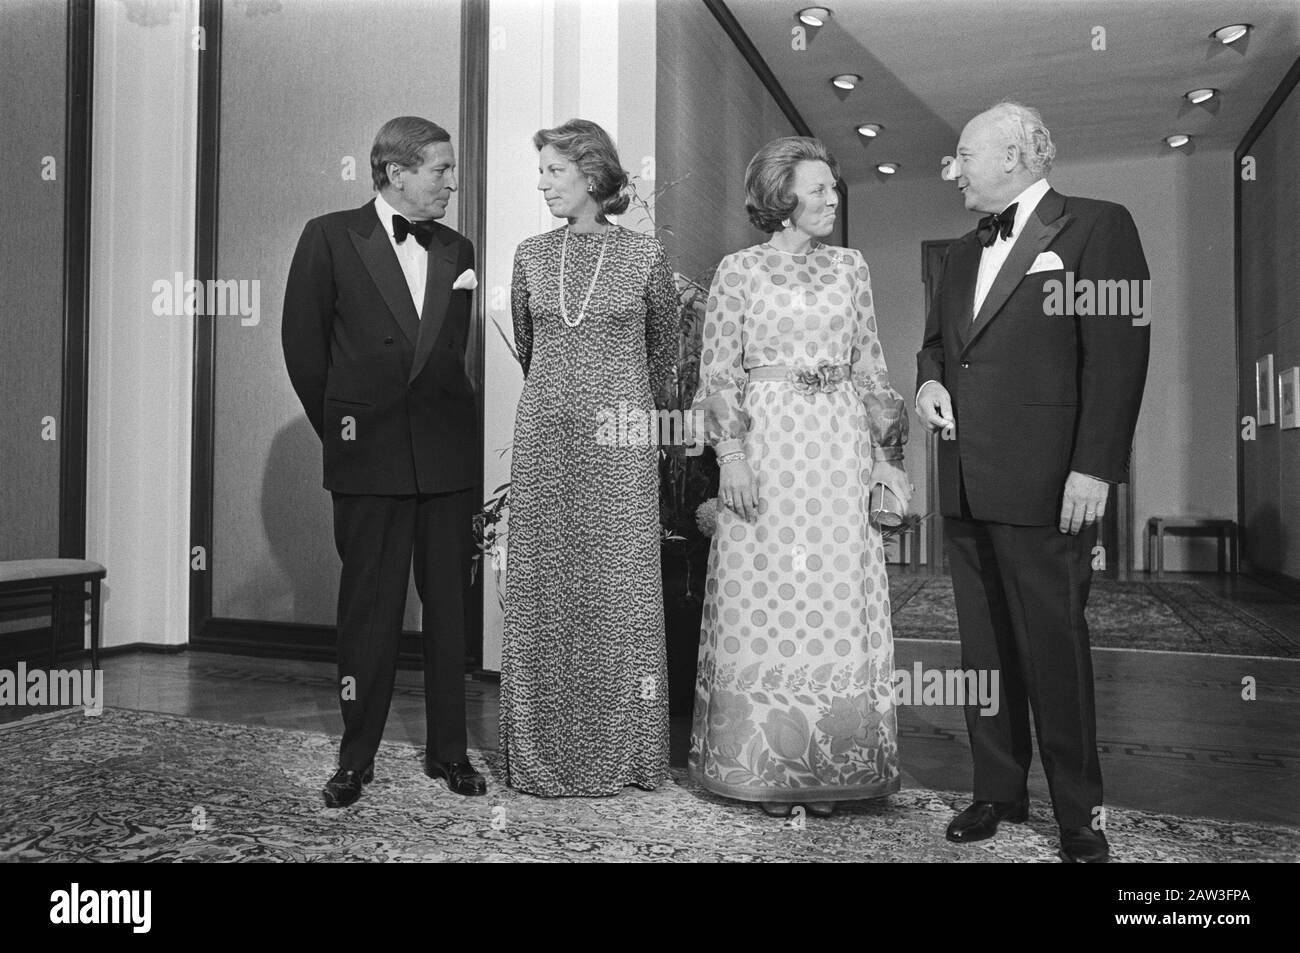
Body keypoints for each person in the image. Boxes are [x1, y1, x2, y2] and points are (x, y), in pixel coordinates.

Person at [916, 102, 1150, 862]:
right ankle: (998, 789)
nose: (952, 171)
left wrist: (1096, 466)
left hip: (1050, 483)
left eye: (962, 155)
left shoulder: (1097, 226)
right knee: (983, 650)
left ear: (1012, 156)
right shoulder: (959, 253)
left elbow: (1118, 357)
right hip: (965, 482)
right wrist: (928, 382)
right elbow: (936, 347)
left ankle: (1080, 812)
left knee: (1054, 649)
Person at [688, 137, 911, 817]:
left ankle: (831, 767)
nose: (832, 198)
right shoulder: (738, 270)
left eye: (832, 188)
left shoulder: (851, 266)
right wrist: (731, 456)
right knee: (763, 595)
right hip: (768, 450)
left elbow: (870, 365)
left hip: (839, 451)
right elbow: (718, 372)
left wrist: (885, 457)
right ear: (781, 197)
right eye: (818, 189)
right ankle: (767, 767)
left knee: (835, 596)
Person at [282, 115, 486, 807]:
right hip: (368, 459)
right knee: (368, 611)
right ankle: (355, 757)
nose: (452, 183)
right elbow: (304, 350)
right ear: (396, 173)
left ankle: (449, 752)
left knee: (450, 612)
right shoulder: (329, 236)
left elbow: (452, 359)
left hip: (446, 461)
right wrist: (348, 432)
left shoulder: (457, 247)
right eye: (441, 169)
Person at [501, 118, 677, 796]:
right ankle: (542, 753)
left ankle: (628, 755)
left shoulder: (645, 255)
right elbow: (530, 351)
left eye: (555, 171)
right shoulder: (529, 255)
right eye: (541, 171)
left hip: (622, 447)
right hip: (545, 441)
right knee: (545, 591)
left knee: (620, 592)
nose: (543, 184)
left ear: (593, 173)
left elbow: (662, 355)